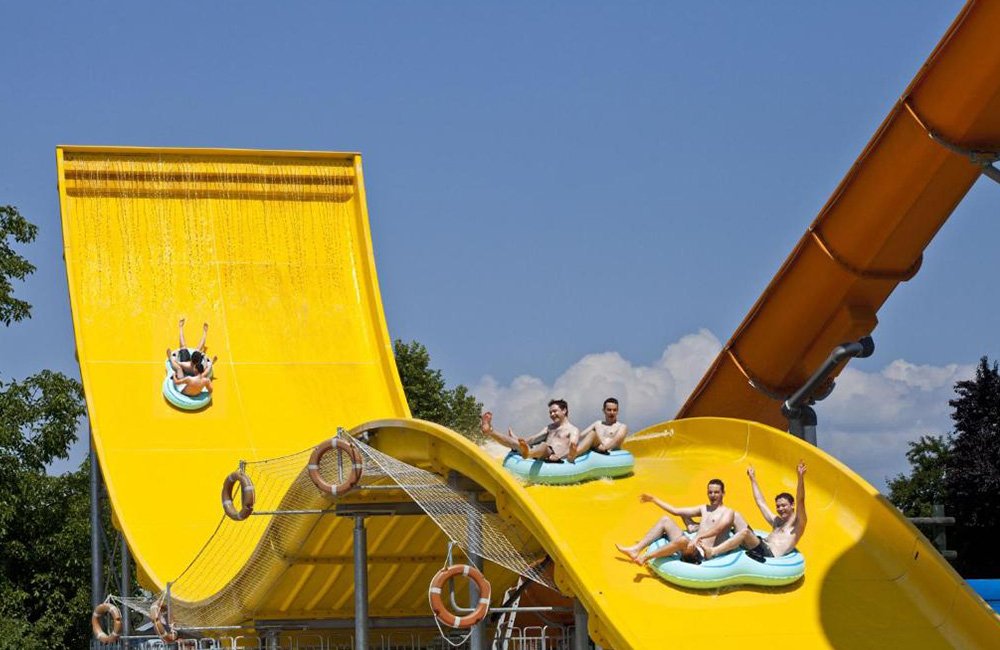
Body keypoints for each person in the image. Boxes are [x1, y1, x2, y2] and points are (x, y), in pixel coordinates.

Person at [700, 461, 807, 560]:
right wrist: (752, 478)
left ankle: (713, 551)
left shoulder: (798, 524)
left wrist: (800, 477)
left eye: (784, 506)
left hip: (769, 553)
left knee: (745, 533)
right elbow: (761, 502)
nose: (780, 509)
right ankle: (701, 531)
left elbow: (800, 500)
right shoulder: (777, 521)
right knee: (736, 515)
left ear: (792, 505)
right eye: (778, 506)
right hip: (760, 543)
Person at [615, 480, 734, 565]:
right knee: (665, 520)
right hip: (691, 545)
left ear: (723, 493)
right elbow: (676, 511)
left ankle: (645, 558)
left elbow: (718, 529)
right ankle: (636, 549)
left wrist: (697, 538)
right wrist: (653, 499)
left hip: (701, 553)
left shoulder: (727, 512)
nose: (713, 495)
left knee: (683, 540)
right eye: (710, 492)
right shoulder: (704, 508)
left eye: (716, 492)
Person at [480, 399, 579, 462]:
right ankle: (490, 431)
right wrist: (518, 440)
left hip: (555, 458)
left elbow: (572, 448)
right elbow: (533, 439)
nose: (552, 414)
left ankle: (528, 453)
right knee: (516, 444)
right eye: (550, 412)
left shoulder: (573, 430)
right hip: (539, 454)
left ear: (564, 410)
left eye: (554, 411)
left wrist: (560, 457)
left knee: (544, 446)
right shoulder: (550, 427)